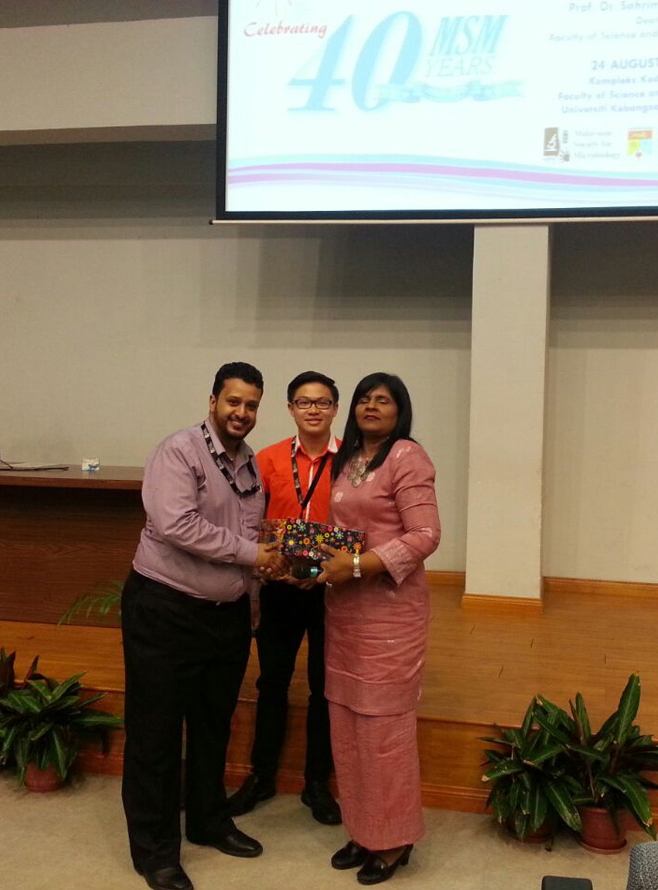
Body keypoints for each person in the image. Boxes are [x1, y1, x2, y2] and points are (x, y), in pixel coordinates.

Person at [121, 361, 283, 890]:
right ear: (212, 401)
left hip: (226, 617)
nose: (242, 413)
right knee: (156, 734)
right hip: (165, 609)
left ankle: (209, 821)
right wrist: (254, 556)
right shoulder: (179, 451)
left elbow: (251, 536)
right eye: (234, 401)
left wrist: (253, 601)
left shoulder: (250, 463)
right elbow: (177, 524)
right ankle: (155, 851)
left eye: (252, 405)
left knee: (214, 727)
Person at [316, 373, 441, 886]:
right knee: (347, 723)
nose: (371, 406)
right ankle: (364, 830)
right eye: (364, 398)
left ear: (399, 411)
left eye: (383, 400)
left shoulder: (407, 456)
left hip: (390, 613)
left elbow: (426, 534)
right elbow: (345, 531)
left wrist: (359, 565)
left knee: (383, 729)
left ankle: (395, 840)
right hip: (346, 611)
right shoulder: (348, 460)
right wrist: (314, 563)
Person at [228, 371, 343, 825]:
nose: (313, 409)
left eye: (322, 402)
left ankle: (317, 782)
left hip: (331, 588)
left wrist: (321, 571)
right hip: (277, 585)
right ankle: (261, 776)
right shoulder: (268, 458)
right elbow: (251, 520)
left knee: (324, 687)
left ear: (335, 409)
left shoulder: (352, 463)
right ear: (291, 408)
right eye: (304, 402)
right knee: (271, 682)